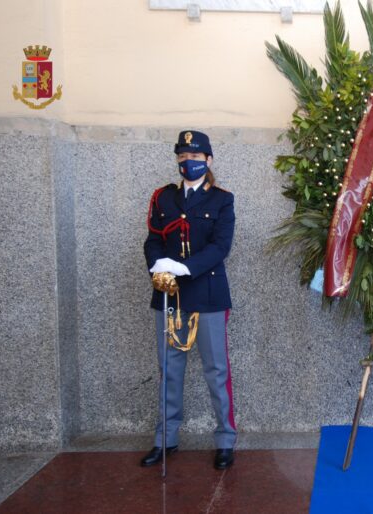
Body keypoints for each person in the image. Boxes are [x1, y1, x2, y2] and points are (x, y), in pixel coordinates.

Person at [141, 130, 237, 470]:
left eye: (195, 158)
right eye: (183, 157)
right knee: (169, 370)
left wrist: (182, 266)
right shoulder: (163, 198)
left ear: (208, 160)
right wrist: (158, 266)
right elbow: (153, 239)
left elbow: (220, 247)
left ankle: (225, 440)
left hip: (208, 296)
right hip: (169, 296)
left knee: (216, 371)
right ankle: (165, 439)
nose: (188, 163)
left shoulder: (222, 200)